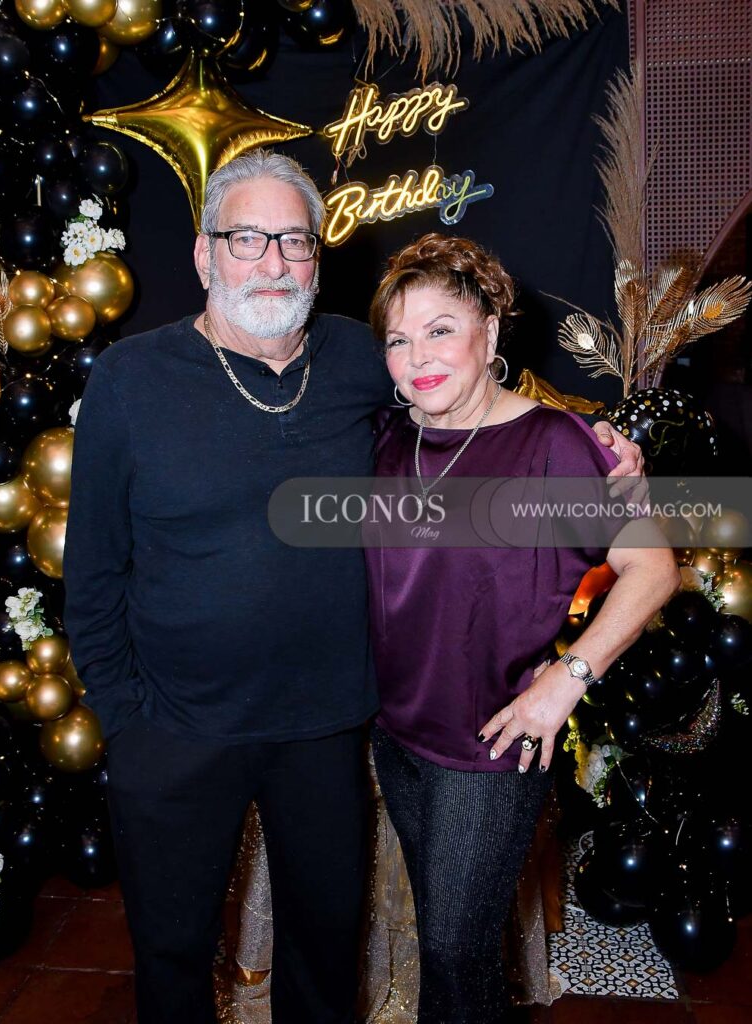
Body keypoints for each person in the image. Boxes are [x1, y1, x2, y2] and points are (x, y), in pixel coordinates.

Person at [63, 150, 643, 1024]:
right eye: (247, 238)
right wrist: (125, 720)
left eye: (293, 241)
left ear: (317, 258)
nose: (272, 261)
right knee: (172, 954)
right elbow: (93, 568)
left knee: (325, 953)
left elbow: (468, 392)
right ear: (204, 254)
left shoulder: (359, 358)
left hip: (327, 727)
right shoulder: (129, 379)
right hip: (175, 727)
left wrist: (603, 443)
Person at [364, 232, 679, 1024]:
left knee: (454, 951)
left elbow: (652, 569)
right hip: (397, 735)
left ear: (489, 330)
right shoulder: (389, 437)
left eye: (440, 329)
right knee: (450, 947)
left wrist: (563, 683)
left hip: (492, 743)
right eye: (398, 339)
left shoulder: (553, 444)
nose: (416, 356)